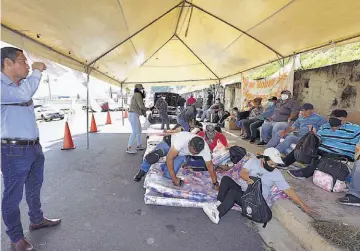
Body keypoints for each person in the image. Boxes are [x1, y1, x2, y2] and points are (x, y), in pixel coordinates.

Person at [1, 47, 61, 251]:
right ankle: (16, 238)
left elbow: (25, 92)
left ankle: (37, 219)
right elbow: (22, 95)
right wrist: (36, 71)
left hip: (33, 147)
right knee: (12, 196)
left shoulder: (20, 85)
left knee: (34, 187)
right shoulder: (2, 86)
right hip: (13, 150)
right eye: (22, 61)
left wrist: (30, 74)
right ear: (7, 63)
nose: (27, 64)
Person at [202, 148, 314, 224]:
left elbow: (288, 190)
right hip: (246, 192)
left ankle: (218, 214)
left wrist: (302, 205)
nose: (273, 166)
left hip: (255, 201)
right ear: (263, 159)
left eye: (276, 164)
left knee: (234, 193)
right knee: (226, 179)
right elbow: (243, 172)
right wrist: (248, 179)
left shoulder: (276, 174)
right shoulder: (254, 161)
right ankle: (219, 202)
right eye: (271, 164)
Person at [285, 109, 360, 179]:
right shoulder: (325, 127)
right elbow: (318, 140)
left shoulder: (354, 129)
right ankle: (284, 163)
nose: (331, 119)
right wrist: (313, 134)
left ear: (343, 120)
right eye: (331, 117)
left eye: (335, 118)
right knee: (302, 147)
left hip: (342, 154)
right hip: (322, 149)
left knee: (322, 158)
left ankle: (304, 173)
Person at [133, 132, 219, 189]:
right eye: (192, 151)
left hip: (181, 154)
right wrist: (175, 179)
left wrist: (215, 183)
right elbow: (170, 158)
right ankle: (142, 170)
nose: (194, 154)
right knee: (152, 157)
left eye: (196, 153)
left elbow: (210, 167)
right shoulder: (181, 141)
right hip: (169, 143)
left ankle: (164, 166)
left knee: (168, 176)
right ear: (189, 144)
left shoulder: (205, 149)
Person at [127, 84, 147, 154]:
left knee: (138, 131)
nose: (142, 90)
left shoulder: (136, 94)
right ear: (138, 89)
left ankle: (138, 145)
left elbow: (140, 106)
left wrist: (144, 114)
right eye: (141, 89)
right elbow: (141, 106)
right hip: (133, 114)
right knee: (135, 131)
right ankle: (129, 147)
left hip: (134, 114)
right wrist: (149, 109)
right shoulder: (138, 94)